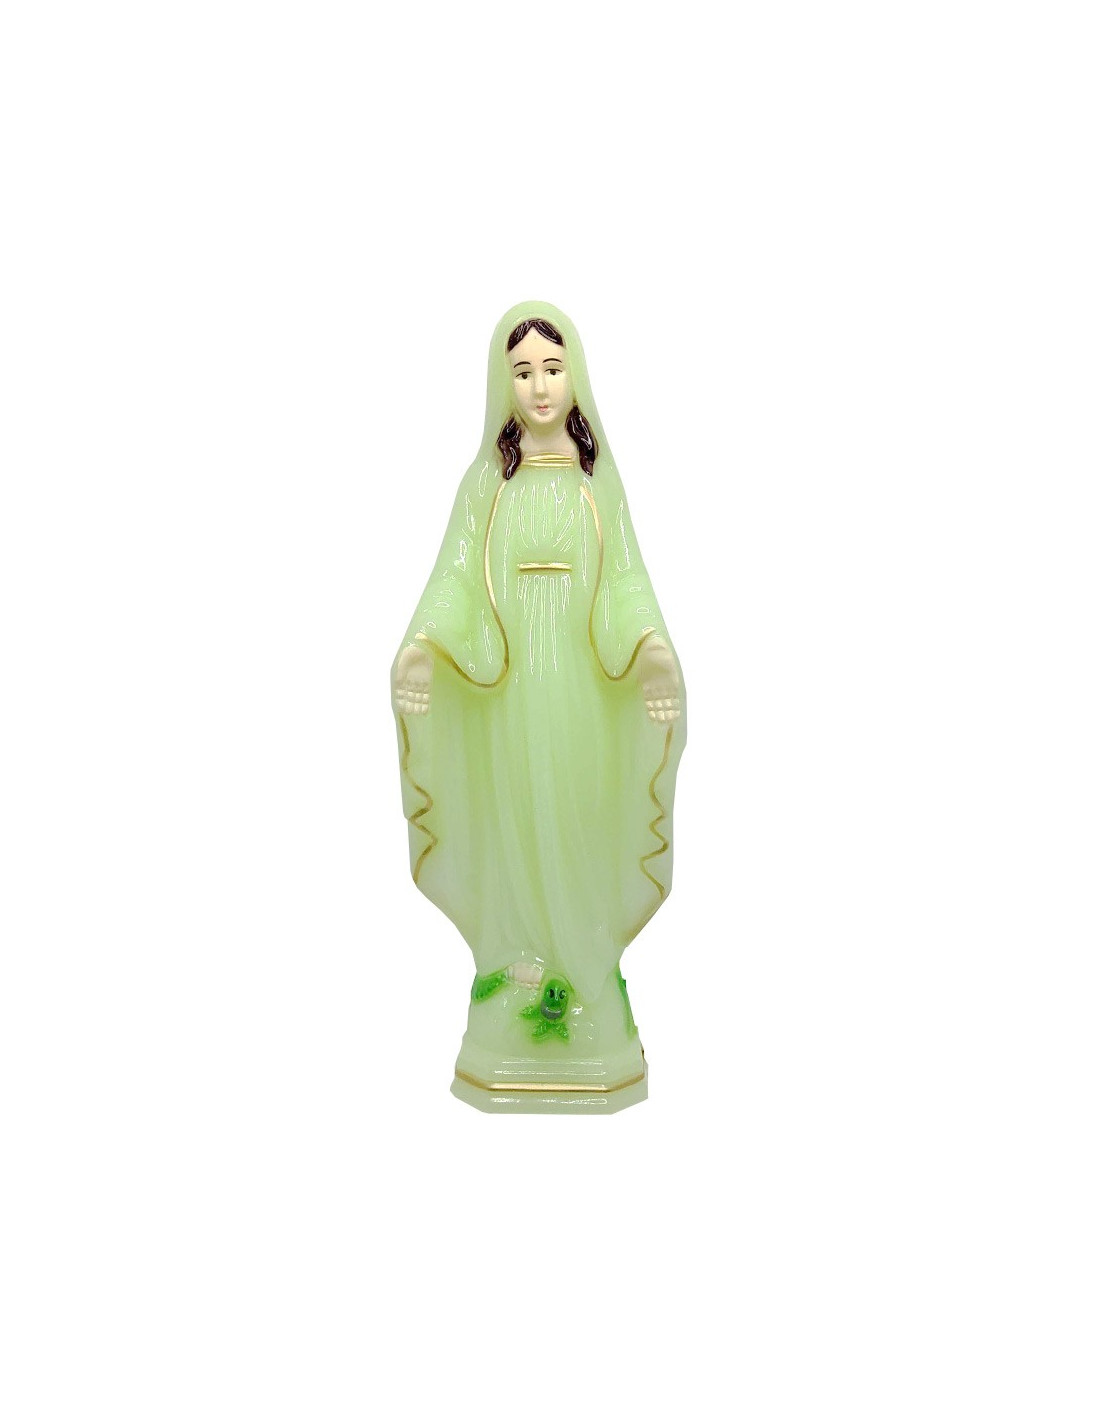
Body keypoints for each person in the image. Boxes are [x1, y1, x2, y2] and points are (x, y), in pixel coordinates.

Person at [392, 301, 686, 1108]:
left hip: (581, 690)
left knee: (576, 812)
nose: (540, 386)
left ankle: (583, 967)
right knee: (518, 814)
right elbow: (456, 576)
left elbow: (624, 580)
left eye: (553, 368)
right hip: (510, 687)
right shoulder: (488, 482)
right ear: (503, 383)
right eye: (522, 372)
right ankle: (519, 961)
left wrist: (649, 648)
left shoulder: (597, 482)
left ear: (576, 374)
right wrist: (425, 645)